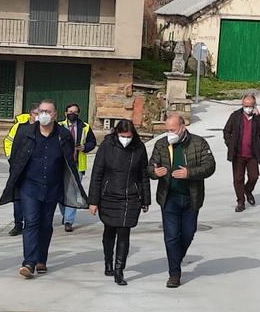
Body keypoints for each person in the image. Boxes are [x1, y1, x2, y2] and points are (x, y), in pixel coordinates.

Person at [0, 99, 87, 279]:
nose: (44, 114)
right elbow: (15, 158)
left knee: (46, 225)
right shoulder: (25, 133)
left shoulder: (63, 135)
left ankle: (41, 259)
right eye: (41, 111)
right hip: (29, 186)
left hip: (52, 186)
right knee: (31, 222)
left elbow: (69, 162)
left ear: (55, 115)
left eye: (48, 111)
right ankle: (28, 263)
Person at [149, 114, 215, 288]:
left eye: (172, 129)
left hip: (191, 197)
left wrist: (190, 173)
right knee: (171, 237)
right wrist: (155, 173)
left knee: (188, 232)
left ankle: (176, 258)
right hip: (168, 197)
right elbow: (150, 166)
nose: (169, 133)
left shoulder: (198, 143)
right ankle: (174, 273)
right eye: (167, 130)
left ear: (183, 127)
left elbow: (210, 166)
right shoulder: (161, 144)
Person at [87, 119, 150, 286]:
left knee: (124, 233)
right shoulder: (107, 147)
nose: (126, 139)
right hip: (109, 195)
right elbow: (97, 174)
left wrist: (146, 199)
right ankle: (108, 261)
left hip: (130, 196)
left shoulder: (139, 148)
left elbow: (144, 174)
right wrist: (93, 201)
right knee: (109, 230)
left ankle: (119, 270)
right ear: (117, 133)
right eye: (123, 136)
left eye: (129, 136)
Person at [222, 93, 260, 213]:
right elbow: (226, 131)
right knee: (238, 179)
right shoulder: (235, 116)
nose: (247, 108)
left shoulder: (258, 118)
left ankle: (248, 190)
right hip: (238, 154)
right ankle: (240, 201)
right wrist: (230, 144)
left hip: (252, 153)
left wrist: (259, 117)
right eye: (245, 105)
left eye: (250, 105)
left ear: (254, 106)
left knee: (254, 176)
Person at [58, 103, 97, 232]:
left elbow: (92, 142)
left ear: (78, 113)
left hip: (77, 164)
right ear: (65, 113)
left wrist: (85, 147)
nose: (72, 113)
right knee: (61, 192)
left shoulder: (85, 127)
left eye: (75, 111)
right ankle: (65, 214)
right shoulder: (59, 126)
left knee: (73, 192)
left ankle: (69, 220)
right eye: (70, 111)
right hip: (61, 164)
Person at [3, 111, 32, 236]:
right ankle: (18, 224)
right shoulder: (19, 126)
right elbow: (8, 141)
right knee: (18, 198)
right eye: (37, 113)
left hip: (35, 170)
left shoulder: (45, 128)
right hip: (18, 168)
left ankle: (31, 223)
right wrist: (11, 158)